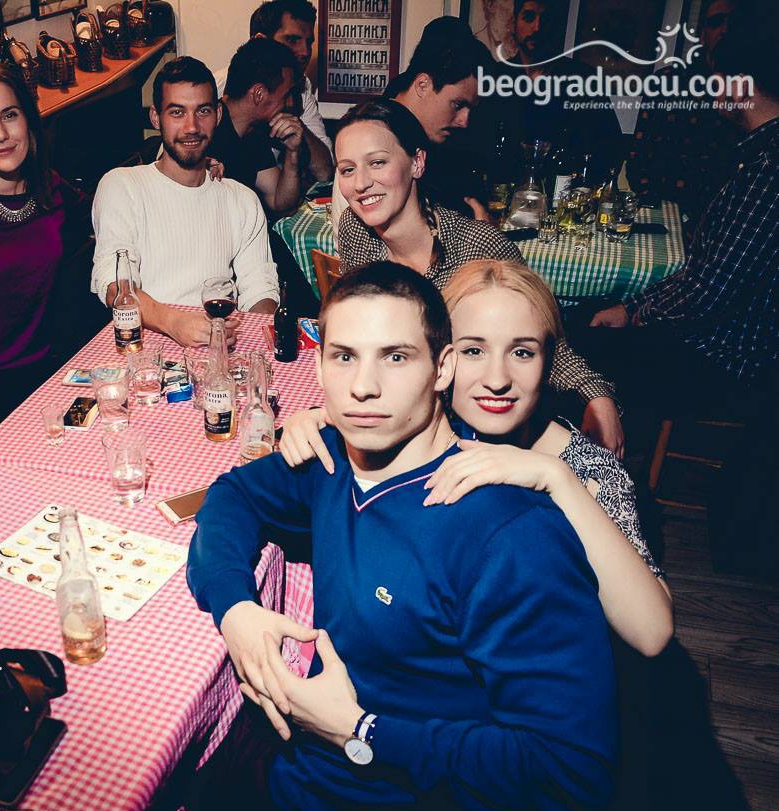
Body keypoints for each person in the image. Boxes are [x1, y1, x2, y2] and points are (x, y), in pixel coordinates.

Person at [186, 260, 617, 811]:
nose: (363, 387)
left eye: (395, 357)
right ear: (318, 364)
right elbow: (231, 497)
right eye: (344, 357)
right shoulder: (333, 459)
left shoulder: (511, 536)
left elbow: (574, 773)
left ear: (443, 368)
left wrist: (361, 731)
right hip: (295, 787)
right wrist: (235, 609)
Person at [279, 259, 673, 657]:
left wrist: (555, 477)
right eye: (473, 350)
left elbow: (652, 633)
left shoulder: (588, 468)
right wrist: (315, 421)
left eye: (522, 352)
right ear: (441, 360)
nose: (497, 379)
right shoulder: (426, 427)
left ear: (548, 362)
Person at [581, 0, 778, 574]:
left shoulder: (767, 167)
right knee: (595, 320)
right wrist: (637, 307)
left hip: (730, 360)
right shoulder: (757, 156)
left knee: (582, 348)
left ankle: (609, 505)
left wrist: (635, 312)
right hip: (728, 341)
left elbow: (710, 291)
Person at [333, 99, 626, 455]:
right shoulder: (355, 230)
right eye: (347, 169)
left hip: (481, 431)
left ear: (417, 163)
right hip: (399, 418)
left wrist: (596, 396)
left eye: (377, 162)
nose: (361, 183)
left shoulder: (477, 245)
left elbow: (545, 341)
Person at [0, 61, 93, 431]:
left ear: (28, 120)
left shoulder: (53, 190)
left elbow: (115, 213)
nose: (0, 134)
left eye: (10, 115)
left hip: (47, 378)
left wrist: (193, 171)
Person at [91, 57, 279, 348]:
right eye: (177, 112)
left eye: (202, 111)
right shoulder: (122, 186)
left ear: (218, 115)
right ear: (156, 118)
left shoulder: (242, 200)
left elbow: (260, 289)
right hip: (145, 351)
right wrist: (176, 323)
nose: (192, 127)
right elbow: (115, 285)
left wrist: (257, 345)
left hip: (220, 348)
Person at [625, 0, 741, 242]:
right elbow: (638, 158)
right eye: (716, 22)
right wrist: (662, 214)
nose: (726, 30)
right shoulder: (667, 83)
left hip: (723, 224)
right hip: (663, 217)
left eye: (734, 22)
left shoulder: (752, 93)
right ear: (701, 34)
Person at [489, 0, 624, 175]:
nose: (537, 28)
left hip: (564, 188)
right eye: (529, 17)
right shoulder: (496, 77)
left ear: (556, 25)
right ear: (514, 23)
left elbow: (611, 148)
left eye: (546, 19)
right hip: (505, 187)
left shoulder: (583, 79)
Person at [382, 16, 496, 219]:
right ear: (422, 85)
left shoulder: (434, 137)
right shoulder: (376, 137)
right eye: (458, 105)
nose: (464, 121)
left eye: (470, 109)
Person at [214, 0, 334, 182]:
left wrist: (295, 127)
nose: (305, 52)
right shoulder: (216, 86)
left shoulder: (302, 86)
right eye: (292, 40)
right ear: (260, 41)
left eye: (309, 42)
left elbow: (324, 171)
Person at [211, 38, 306, 214]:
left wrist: (292, 152)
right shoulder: (205, 128)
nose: (290, 103)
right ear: (259, 94)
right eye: (285, 95)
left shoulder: (252, 132)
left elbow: (280, 202)